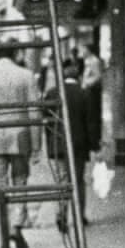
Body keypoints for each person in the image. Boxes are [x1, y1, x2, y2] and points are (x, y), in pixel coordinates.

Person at [0, 39, 39, 248]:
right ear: (14, 54)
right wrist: (36, 145)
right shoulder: (26, 75)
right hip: (20, 135)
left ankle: (3, 236)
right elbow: (34, 111)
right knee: (20, 181)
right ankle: (16, 225)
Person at [43, 51, 97, 231]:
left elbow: (46, 121)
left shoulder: (51, 94)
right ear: (78, 73)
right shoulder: (84, 93)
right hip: (78, 145)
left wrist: (50, 141)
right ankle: (79, 216)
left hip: (58, 144)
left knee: (61, 180)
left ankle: (61, 214)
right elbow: (90, 122)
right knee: (78, 180)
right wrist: (94, 144)